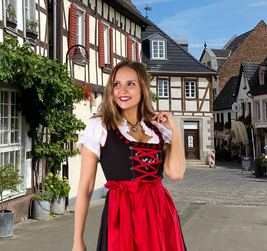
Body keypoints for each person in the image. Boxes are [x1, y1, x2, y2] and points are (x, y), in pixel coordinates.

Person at [72, 60, 187, 251]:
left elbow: (176, 173)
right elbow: (86, 186)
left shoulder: (159, 130)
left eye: (130, 84)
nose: (122, 90)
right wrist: (78, 240)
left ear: (142, 88)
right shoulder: (99, 126)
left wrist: (175, 130)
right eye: (117, 84)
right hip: (121, 216)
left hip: (160, 215)